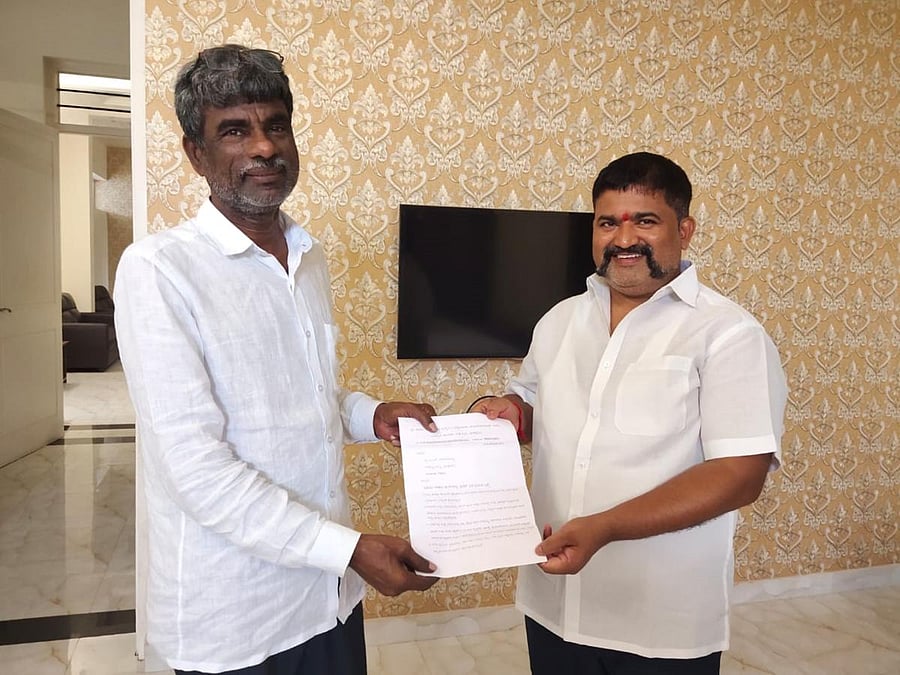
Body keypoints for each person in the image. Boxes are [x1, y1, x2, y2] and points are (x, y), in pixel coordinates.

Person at [114, 44, 438, 675]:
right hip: (236, 616)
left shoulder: (307, 257)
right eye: (233, 130)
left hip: (329, 603)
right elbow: (197, 470)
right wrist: (348, 550)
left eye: (276, 125)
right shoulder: (159, 271)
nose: (263, 147)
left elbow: (305, 394)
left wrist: (372, 415)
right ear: (195, 153)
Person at [474, 152, 787, 674]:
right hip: (554, 602)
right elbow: (531, 405)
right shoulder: (558, 320)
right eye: (607, 222)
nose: (623, 238)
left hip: (661, 619)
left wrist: (604, 527)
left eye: (645, 220)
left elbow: (740, 476)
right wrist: (508, 413)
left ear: (683, 230)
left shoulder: (728, 334)